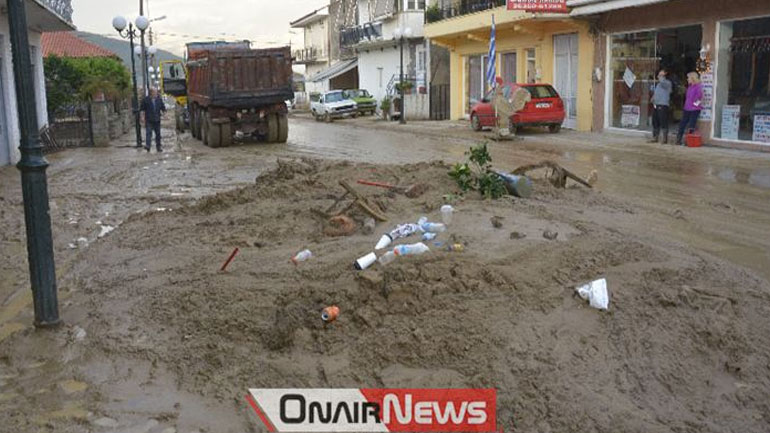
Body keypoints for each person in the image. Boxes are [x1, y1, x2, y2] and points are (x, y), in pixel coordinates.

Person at [676, 72, 703, 146]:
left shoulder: (698, 87)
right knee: (682, 123)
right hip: (687, 108)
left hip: (694, 109)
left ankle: (689, 140)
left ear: (692, 78)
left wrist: (694, 105)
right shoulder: (690, 87)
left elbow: (699, 97)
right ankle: (679, 139)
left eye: (688, 78)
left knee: (691, 125)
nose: (687, 79)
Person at [648, 68, 672, 144]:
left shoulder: (668, 83)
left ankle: (665, 139)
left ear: (665, 75)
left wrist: (661, 76)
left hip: (663, 104)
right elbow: (657, 92)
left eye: (661, 74)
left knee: (663, 121)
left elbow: (663, 83)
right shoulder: (658, 84)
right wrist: (653, 98)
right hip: (656, 104)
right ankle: (655, 137)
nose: (659, 76)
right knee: (655, 121)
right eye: (659, 74)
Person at [140, 88, 166, 152]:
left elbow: (163, 108)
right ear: (151, 93)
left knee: (158, 134)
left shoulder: (159, 100)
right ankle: (148, 146)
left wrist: (164, 114)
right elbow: (142, 109)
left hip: (157, 119)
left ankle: (158, 146)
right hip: (149, 119)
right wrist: (142, 117)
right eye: (155, 92)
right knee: (148, 133)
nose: (156, 93)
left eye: (156, 92)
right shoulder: (146, 100)